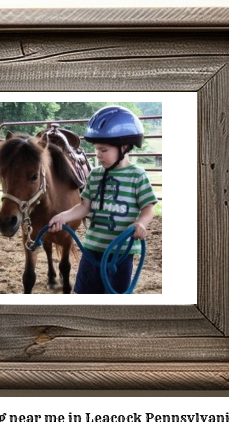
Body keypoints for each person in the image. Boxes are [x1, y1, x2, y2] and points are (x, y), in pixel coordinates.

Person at [48, 105, 157, 294]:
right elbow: (84, 207)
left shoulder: (137, 176)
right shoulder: (96, 175)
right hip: (91, 250)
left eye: (104, 150)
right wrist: (63, 217)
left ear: (124, 147)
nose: (98, 155)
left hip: (120, 254)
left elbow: (148, 208)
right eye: (97, 149)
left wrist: (141, 223)